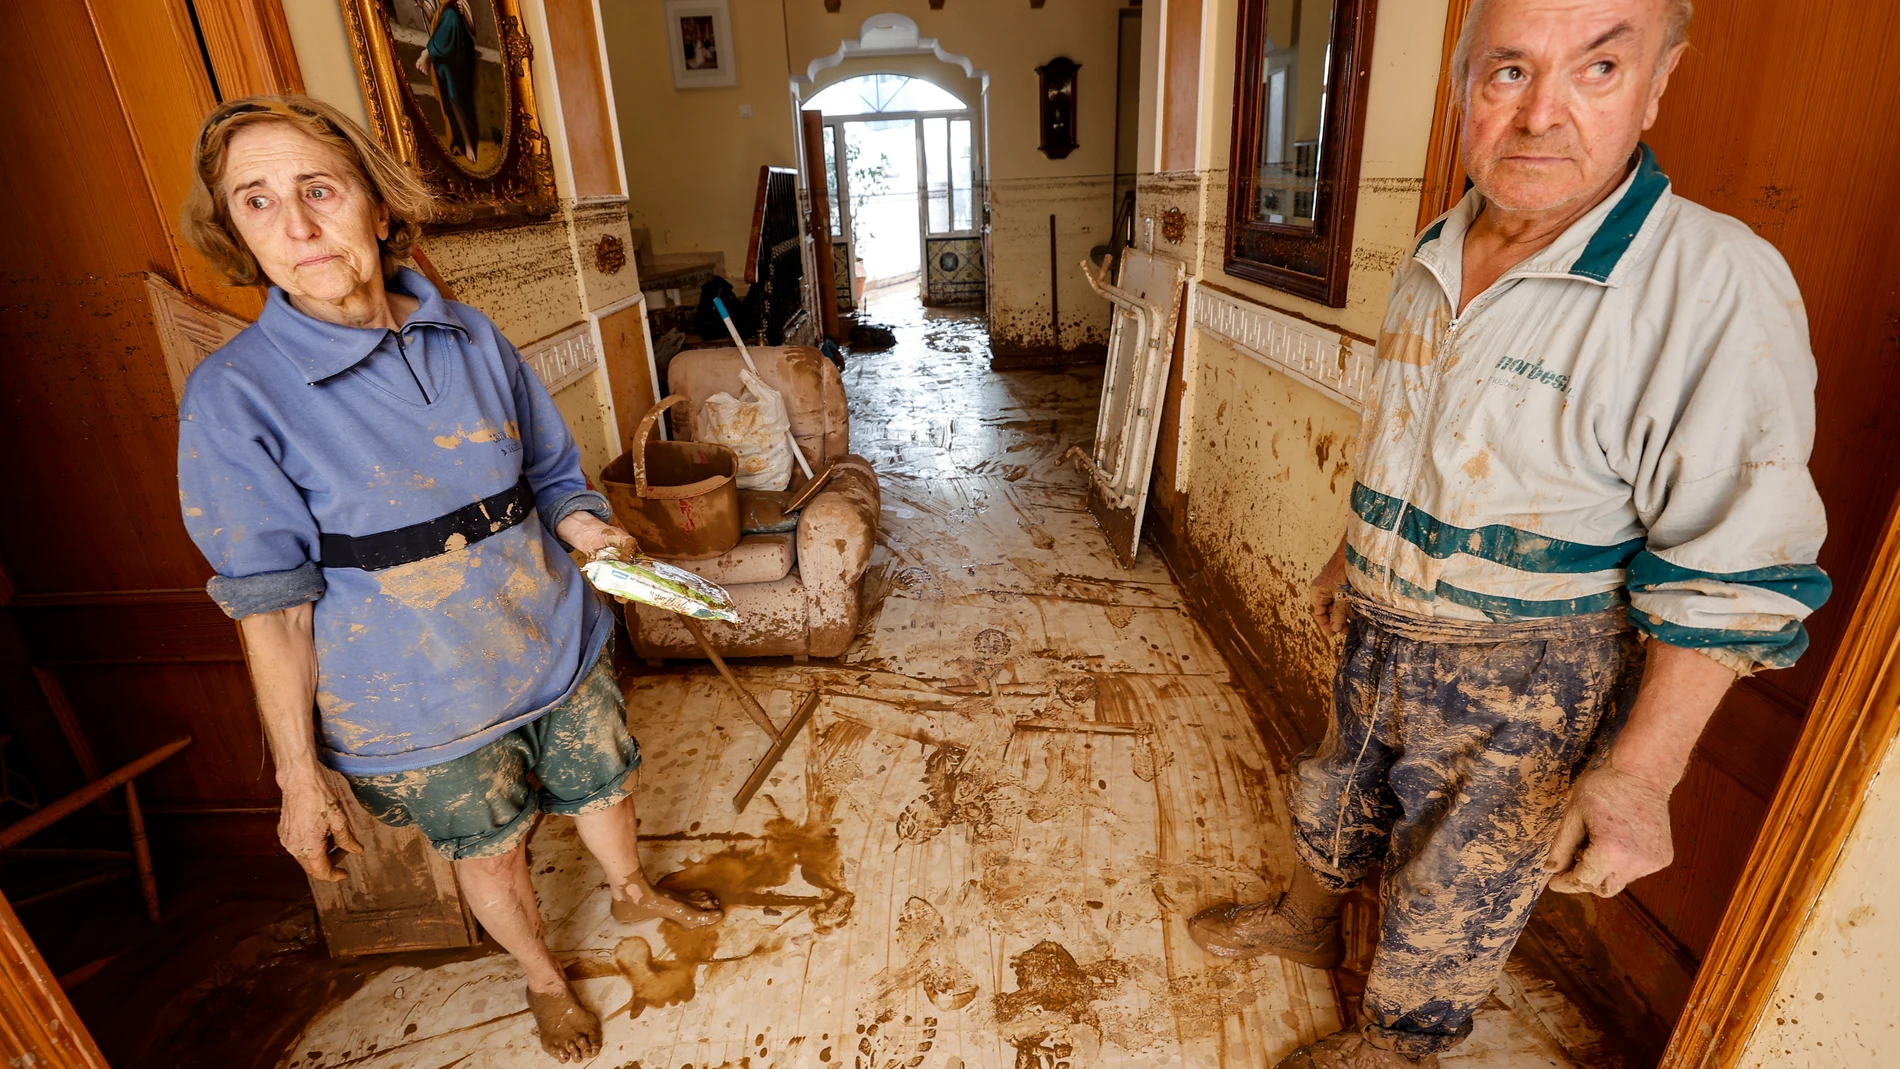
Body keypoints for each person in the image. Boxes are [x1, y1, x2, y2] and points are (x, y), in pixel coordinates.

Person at [1186, 0, 1830, 1065]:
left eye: (1598, 69)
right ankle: (1306, 919)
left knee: (1461, 877)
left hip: (1531, 662)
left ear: (1658, 84)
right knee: (1338, 780)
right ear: (1463, 90)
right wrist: (1354, 552)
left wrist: (1642, 774)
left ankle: (1398, 1044)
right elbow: (1411, 434)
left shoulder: (1712, 280)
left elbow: (1733, 562)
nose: (1540, 115)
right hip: (1383, 618)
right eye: (1509, 72)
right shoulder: (1440, 246)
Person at [176, 96, 721, 1063]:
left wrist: (587, 527)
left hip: (550, 636)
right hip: (415, 699)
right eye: (256, 202)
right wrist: (298, 777)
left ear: (378, 207)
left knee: (602, 785)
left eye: (318, 190)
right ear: (237, 232)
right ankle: (544, 976)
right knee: (492, 847)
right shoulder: (234, 395)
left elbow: (550, 474)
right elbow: (271, 607)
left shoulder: (467, 333)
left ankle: (632, 889)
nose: (296, 226)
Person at [416, 0, 481, 165]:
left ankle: (427, 53)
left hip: (459, 46)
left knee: (451, 15)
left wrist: (463, 8)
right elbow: (436, 22)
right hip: (444, 50)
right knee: (450, 91)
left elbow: (471, 26)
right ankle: (465, 142)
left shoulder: (452, 11)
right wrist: (425, 6)